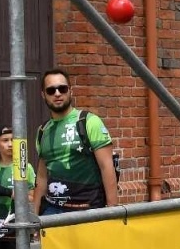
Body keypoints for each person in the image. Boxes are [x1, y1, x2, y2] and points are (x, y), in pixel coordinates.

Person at [32, 68, 118, 216]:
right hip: (53, 212)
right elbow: (41, 177)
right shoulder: (42, 131)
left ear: (70, 91)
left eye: (62, 88)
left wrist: (112, 211)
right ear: (43, 95)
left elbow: (107, 167)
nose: (57, 93)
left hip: (87, 209)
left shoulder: (89, 122)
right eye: (51, 90)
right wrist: (34, 216)